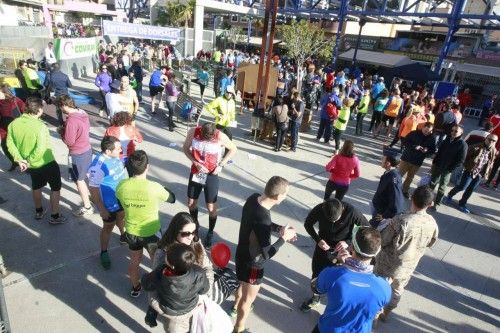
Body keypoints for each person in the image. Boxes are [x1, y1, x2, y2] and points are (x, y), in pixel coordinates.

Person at [232, 176, 297, 333]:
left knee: (241, 284)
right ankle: (238, 328)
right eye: (285, 193)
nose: (286, 196)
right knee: (248, 300)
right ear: (277, 197)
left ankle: (235, 306)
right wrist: (283, 239)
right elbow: (267, 254)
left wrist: (279, 228)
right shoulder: (264, 218)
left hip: (241, 253)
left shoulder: (253, 198)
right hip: (254, 265)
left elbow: (260, 225)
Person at [116, 150, 175, 297]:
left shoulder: (122, 186)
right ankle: (161, 290)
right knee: (158, 264)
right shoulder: (154, 187)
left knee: (134, 262)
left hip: (131, 232)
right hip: (151, 232)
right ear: (147, 167)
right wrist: (165, 189)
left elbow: (120, 203)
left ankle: (136, 288)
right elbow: (172, 198)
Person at [374, 186, 438, 321]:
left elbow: (384, 240)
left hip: (387, 264)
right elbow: (431, 242)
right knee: (397, 290)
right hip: (408, 266)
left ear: (411, 198)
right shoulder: (432, 222)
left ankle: (374, 316)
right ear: (430, 204)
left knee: (379, 288)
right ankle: (387, 313)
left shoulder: (402, 220)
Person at [311, 226, 391, 333]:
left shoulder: (332, 274)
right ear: (377, 252)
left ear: (352, 247)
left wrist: (338, 263)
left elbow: (315, 288)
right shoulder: (384, 287)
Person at [145, 212, 214, 327]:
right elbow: (153, 289)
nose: (191, 237)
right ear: (175, 231)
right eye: (186, 233)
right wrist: (164, 311)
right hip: (175, 317)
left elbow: (207, 267)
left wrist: (206, 293)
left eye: (194, 232)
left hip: (198, 304)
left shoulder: (195, 242)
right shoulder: (163, 253)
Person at [300, 198, 369, 312]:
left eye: (336, 220)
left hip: (343, 251)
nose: (333, 223)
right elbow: (308, 224)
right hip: (323, 247)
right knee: (317, 272)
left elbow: (366, 230)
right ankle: (315, 298)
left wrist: (348, 242)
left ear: (342, 209)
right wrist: (318, 240)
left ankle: (335, 301)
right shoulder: (320, 208)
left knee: (340, 278)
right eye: (330, 220)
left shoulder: (352, 212)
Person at [6, 97, 66, 224]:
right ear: (38, 109)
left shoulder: (13, 124)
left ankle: (39, 211)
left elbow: (10, 144)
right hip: (47, 162)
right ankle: (55, 216)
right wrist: (29, 160)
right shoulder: (40, 126)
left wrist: (20, 160)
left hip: (31, 166)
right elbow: (40, 149)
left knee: (36, 186)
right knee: (55, 188)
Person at [182, 123, 237, 248]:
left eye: (210, 139)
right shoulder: (193, 132)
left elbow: (234, 148)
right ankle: (195, 226)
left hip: (212, 174)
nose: (207, 140)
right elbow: (185, 148)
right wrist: (195, 162)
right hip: (197, 172)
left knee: (211, 207)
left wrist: (221, 164)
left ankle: (210, 232)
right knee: (191, 203)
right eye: (205, 138)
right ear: (201, 132)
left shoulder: (220, 136)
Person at [142, 243, 209, 333]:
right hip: (191, 307)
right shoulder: (199, 272)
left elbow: (147, 284)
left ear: (172, 266)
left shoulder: (161, 273)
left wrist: (145, 277)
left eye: (167, 256)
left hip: (170, 311)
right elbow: (204, 290)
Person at [88, 136, 128, 270]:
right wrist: (102, 209)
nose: (121, 150)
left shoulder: (115, 156)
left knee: (121, 217)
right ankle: (104, 252)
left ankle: (123, 235)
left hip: (121, 199)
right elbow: (93, 191)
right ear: (108, 151)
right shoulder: (97, 166)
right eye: (118, 149)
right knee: (108, 227)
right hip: (108, 204)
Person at [56, 96, 93, 216]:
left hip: (77, 153)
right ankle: (93, 196)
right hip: (87, 149)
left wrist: (61, 132)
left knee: (79, 180)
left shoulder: (71, 121)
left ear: (63, 106)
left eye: (60, 107)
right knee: (86, 175)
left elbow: (69, 141)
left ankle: (87, 207)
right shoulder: (82, 112)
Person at [444, 134, 497, 213]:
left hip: (480, 173)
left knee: (471, 189)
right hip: (470, 171)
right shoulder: (476, 147)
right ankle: (450, 195)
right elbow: (465, 157)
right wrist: (466, 166)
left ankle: (462, 203)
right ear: (486, 139)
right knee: (462, 187)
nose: (491, 142)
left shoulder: (494, 150)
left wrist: (486, 173)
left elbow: (491, 163)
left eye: (494, 141)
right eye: (490, 139)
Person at [429, 125, 467, 211]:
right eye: (452, 130)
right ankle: (428, 200)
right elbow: (439, 152)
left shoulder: (463, 144)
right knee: (432, 183)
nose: (453, 132)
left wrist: (450, 169)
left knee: (442, 187)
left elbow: (461, 160)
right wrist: (434, 163)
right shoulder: (447, 139)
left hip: (447, 169)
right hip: (438, 165)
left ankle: (437, 203)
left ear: (461, 133)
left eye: (456, 131)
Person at [398, 122, 436, 198]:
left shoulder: (432, 138)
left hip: (417, 162)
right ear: (423, 127)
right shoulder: (414, 133)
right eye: (425, 130)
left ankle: (405, 190)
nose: (427, 132)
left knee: (410, 177)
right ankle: (394, 188)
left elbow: (432, 151)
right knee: (399, 175)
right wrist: (414, 146)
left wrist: (427, 151)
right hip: (406, 158)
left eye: (429, 131)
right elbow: (405, 142)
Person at [371, 147, 406, 227]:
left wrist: (385, 215)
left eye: (383, 158)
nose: (381, 159)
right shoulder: (389, 173)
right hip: (378, 209)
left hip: (381, 213)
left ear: (388, 163)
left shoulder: (394, 177)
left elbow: (397, 203)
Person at [0, 83, 25, 171]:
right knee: (4, 146)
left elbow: (25, 111)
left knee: (20, 147)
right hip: (4, 128)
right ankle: (15, 161)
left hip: (16, 127)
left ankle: (26, 165)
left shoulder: (16, 100)